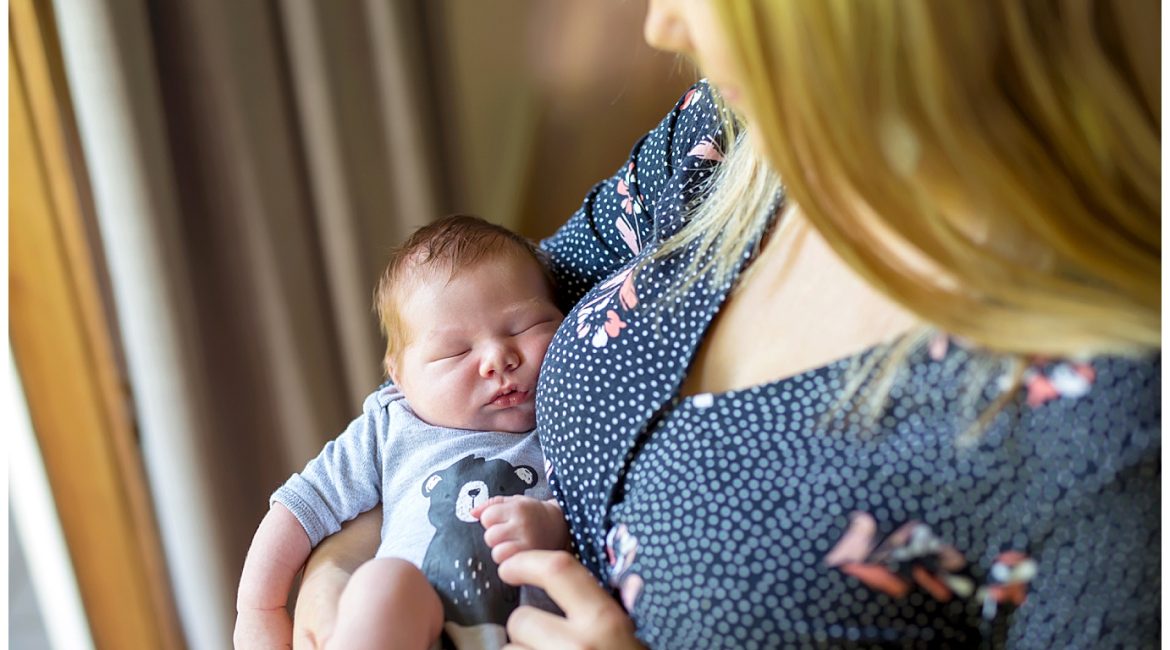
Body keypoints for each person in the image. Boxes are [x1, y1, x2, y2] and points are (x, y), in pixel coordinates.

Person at [293, 1, 1160, 648]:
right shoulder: (731, 140)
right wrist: (348, 556)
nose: (660, 24)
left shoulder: (1110, 431)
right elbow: (462, 315)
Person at [234, 215, 570, 650]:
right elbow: (301, 506)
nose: (496, 359)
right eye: (456, 351)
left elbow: (596, 507)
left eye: (523, 327)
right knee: (384, 584)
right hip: (409, 627)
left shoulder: (567, 413)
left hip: (532, 633)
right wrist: (259, 608)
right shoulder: (392, 423)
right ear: (400, 378)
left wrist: (551, 526)